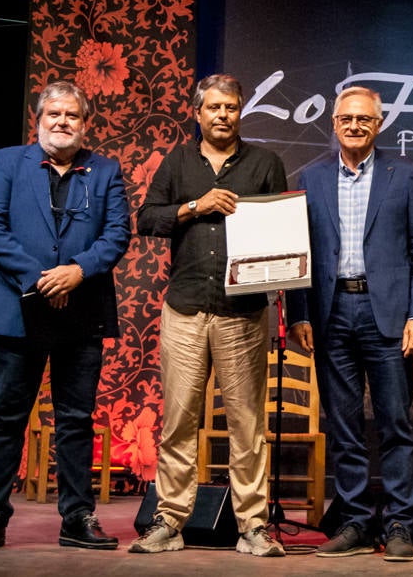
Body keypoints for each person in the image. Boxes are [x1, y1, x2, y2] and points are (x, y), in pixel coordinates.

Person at [0, 80, 131, 551]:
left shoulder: (105, 170)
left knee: (76, 419)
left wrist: (77, 271)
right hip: (17, 309)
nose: (62, 122)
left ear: (84, 123)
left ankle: (77, 517)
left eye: (72, 116)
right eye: (53, 115)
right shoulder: (4, 161)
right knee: (7, 417)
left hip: (82, 311)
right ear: (38, 120)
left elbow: (118, 233)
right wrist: (42, 279)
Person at [131, 73, 288, 557]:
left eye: (231, 108)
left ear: (241, 112)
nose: (223, 115)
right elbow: (146, 218)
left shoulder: (264, 162)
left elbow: (282, 233)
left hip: (243, 313)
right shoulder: (178, 161)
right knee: (179, 421)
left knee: (246, 425)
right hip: (184, 308)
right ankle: (169, 521)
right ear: (197, 113)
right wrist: (195, 206)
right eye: (214, 108)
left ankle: (253, 526)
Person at [286, 86, 413, 562]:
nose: (354, 126)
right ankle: (353, 521)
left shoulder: (405, 176)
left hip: (386, 314)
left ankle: (399, 524)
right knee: (344, 426)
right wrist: (300, 314)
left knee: (394, 425)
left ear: (379, 124)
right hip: (331, 313)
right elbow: (299, 255)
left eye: (364, 119)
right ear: (333, 122)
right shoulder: (310, 176)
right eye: (346, 118)